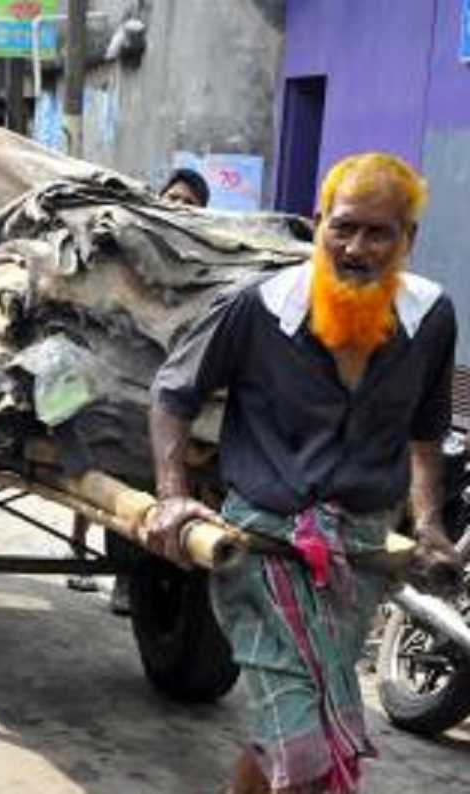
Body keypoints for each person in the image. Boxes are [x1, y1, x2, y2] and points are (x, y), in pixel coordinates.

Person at [146, 152, 459, 794]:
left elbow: (425, 432)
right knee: (305, 733)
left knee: (284, 729)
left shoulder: (430, 319)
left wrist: (427, 523)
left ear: (409, 239)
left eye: (379, 233)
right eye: (342, 228)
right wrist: (173, 499)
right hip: (260, 550)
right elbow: (174, 394)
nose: (356, 247)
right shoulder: (259, 307)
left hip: (360, 556)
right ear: (318, 224)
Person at [86, 165, 217, 610]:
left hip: (183, 394)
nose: (178, 208)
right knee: (126, 478)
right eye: (173, 199)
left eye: (189, 203)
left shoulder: (210, 257)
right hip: (131, 383)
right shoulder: (136, 243)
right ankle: (125, 579)